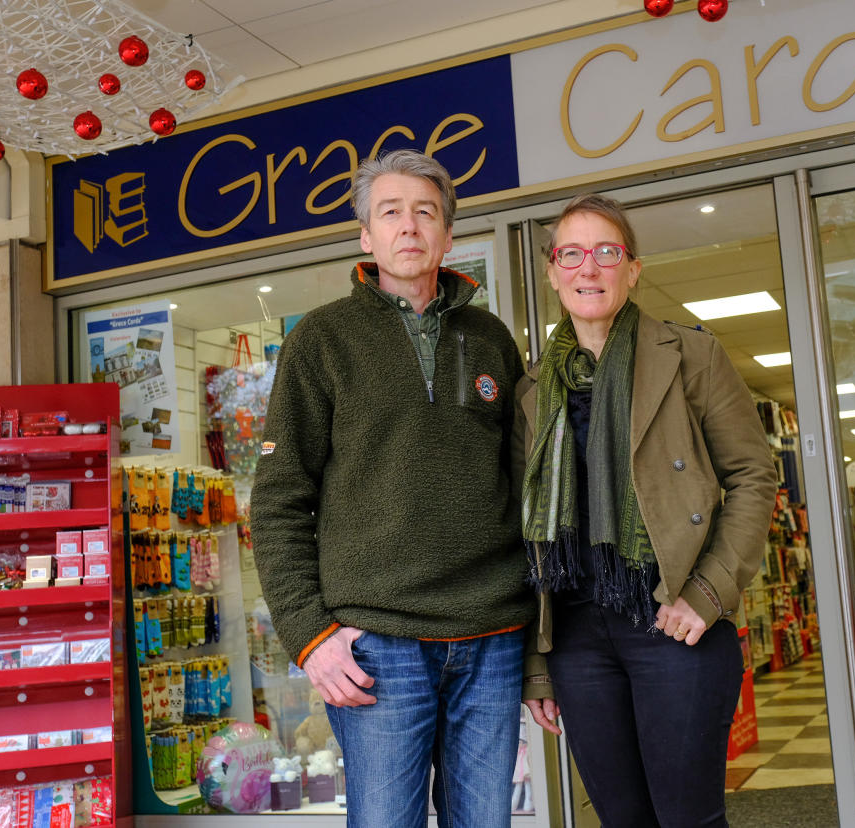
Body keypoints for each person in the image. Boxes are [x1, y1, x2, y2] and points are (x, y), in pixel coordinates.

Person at [251, 149, 532, 828]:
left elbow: (527, 490)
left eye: (425, 212)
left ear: (447, 233)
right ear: (366, 237)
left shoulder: (490, 338)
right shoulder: (321, 340)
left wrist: (543, 641)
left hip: (491, 636)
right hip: (377, 646)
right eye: (391, 212)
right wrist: (309, 636)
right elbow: (279, 499)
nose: (409, 226)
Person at [519, 193, 778, 827]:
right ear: (553, 272)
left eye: (607, 252)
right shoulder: (531, 390)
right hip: (576, 636)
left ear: (633, 269)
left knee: (688, 819)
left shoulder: (692, 355)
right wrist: (538, 666)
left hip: (672, 618)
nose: (589, 268)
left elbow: (753, 475)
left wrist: (709, 590)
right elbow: (523, 534)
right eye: (571, 254)